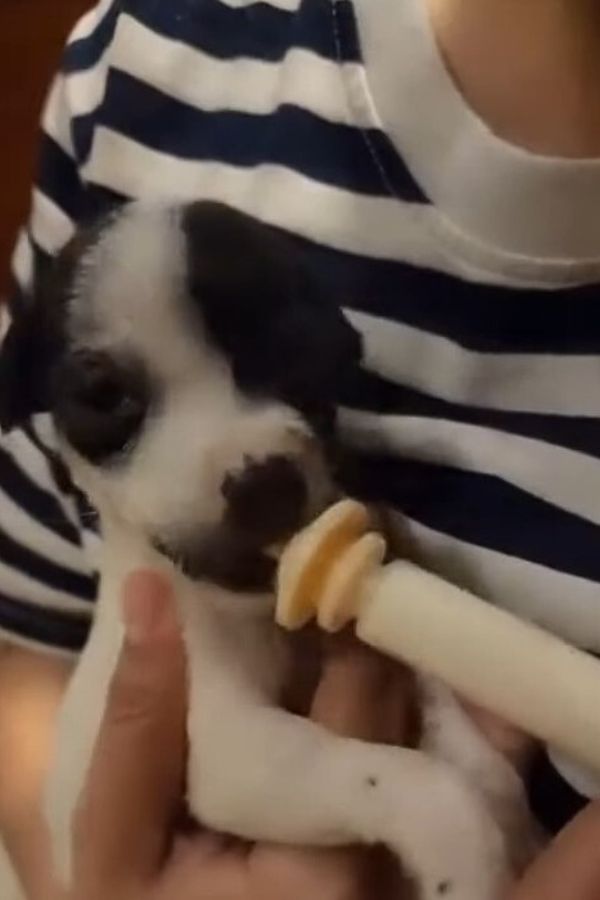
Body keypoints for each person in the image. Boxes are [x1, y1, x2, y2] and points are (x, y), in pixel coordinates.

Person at [2, 0, 600, 893]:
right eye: (113, 403)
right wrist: (418, 803)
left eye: (275, 360)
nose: (243, 463)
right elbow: (34, 666)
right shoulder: (140, 76)